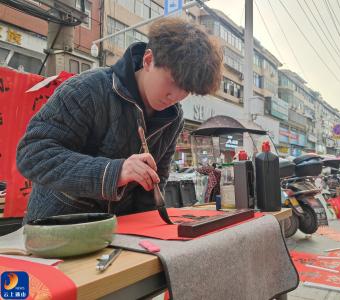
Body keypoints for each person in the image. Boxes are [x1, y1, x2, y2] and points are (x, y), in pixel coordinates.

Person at [16, 17, 223, 223]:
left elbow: (150, 188)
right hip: (56, 230)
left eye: (186, 89)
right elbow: (32, 153)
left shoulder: (173, 118)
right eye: (173, 82)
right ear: (149, 60)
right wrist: (114, 172)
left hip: (117, 235)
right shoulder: (87, 89)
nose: (175, 96)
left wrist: (151, 231)